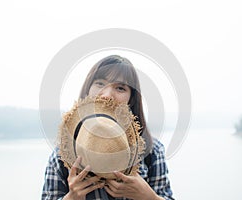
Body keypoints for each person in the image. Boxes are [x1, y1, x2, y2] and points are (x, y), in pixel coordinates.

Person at [41, 55, 174, 200]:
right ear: (87, 91)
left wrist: (149, 197)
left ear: (131, 99)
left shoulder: (152, 151)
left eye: (120, 88)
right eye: (99, 83)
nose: (107, 95)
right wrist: (72, 197)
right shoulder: (61, 157)